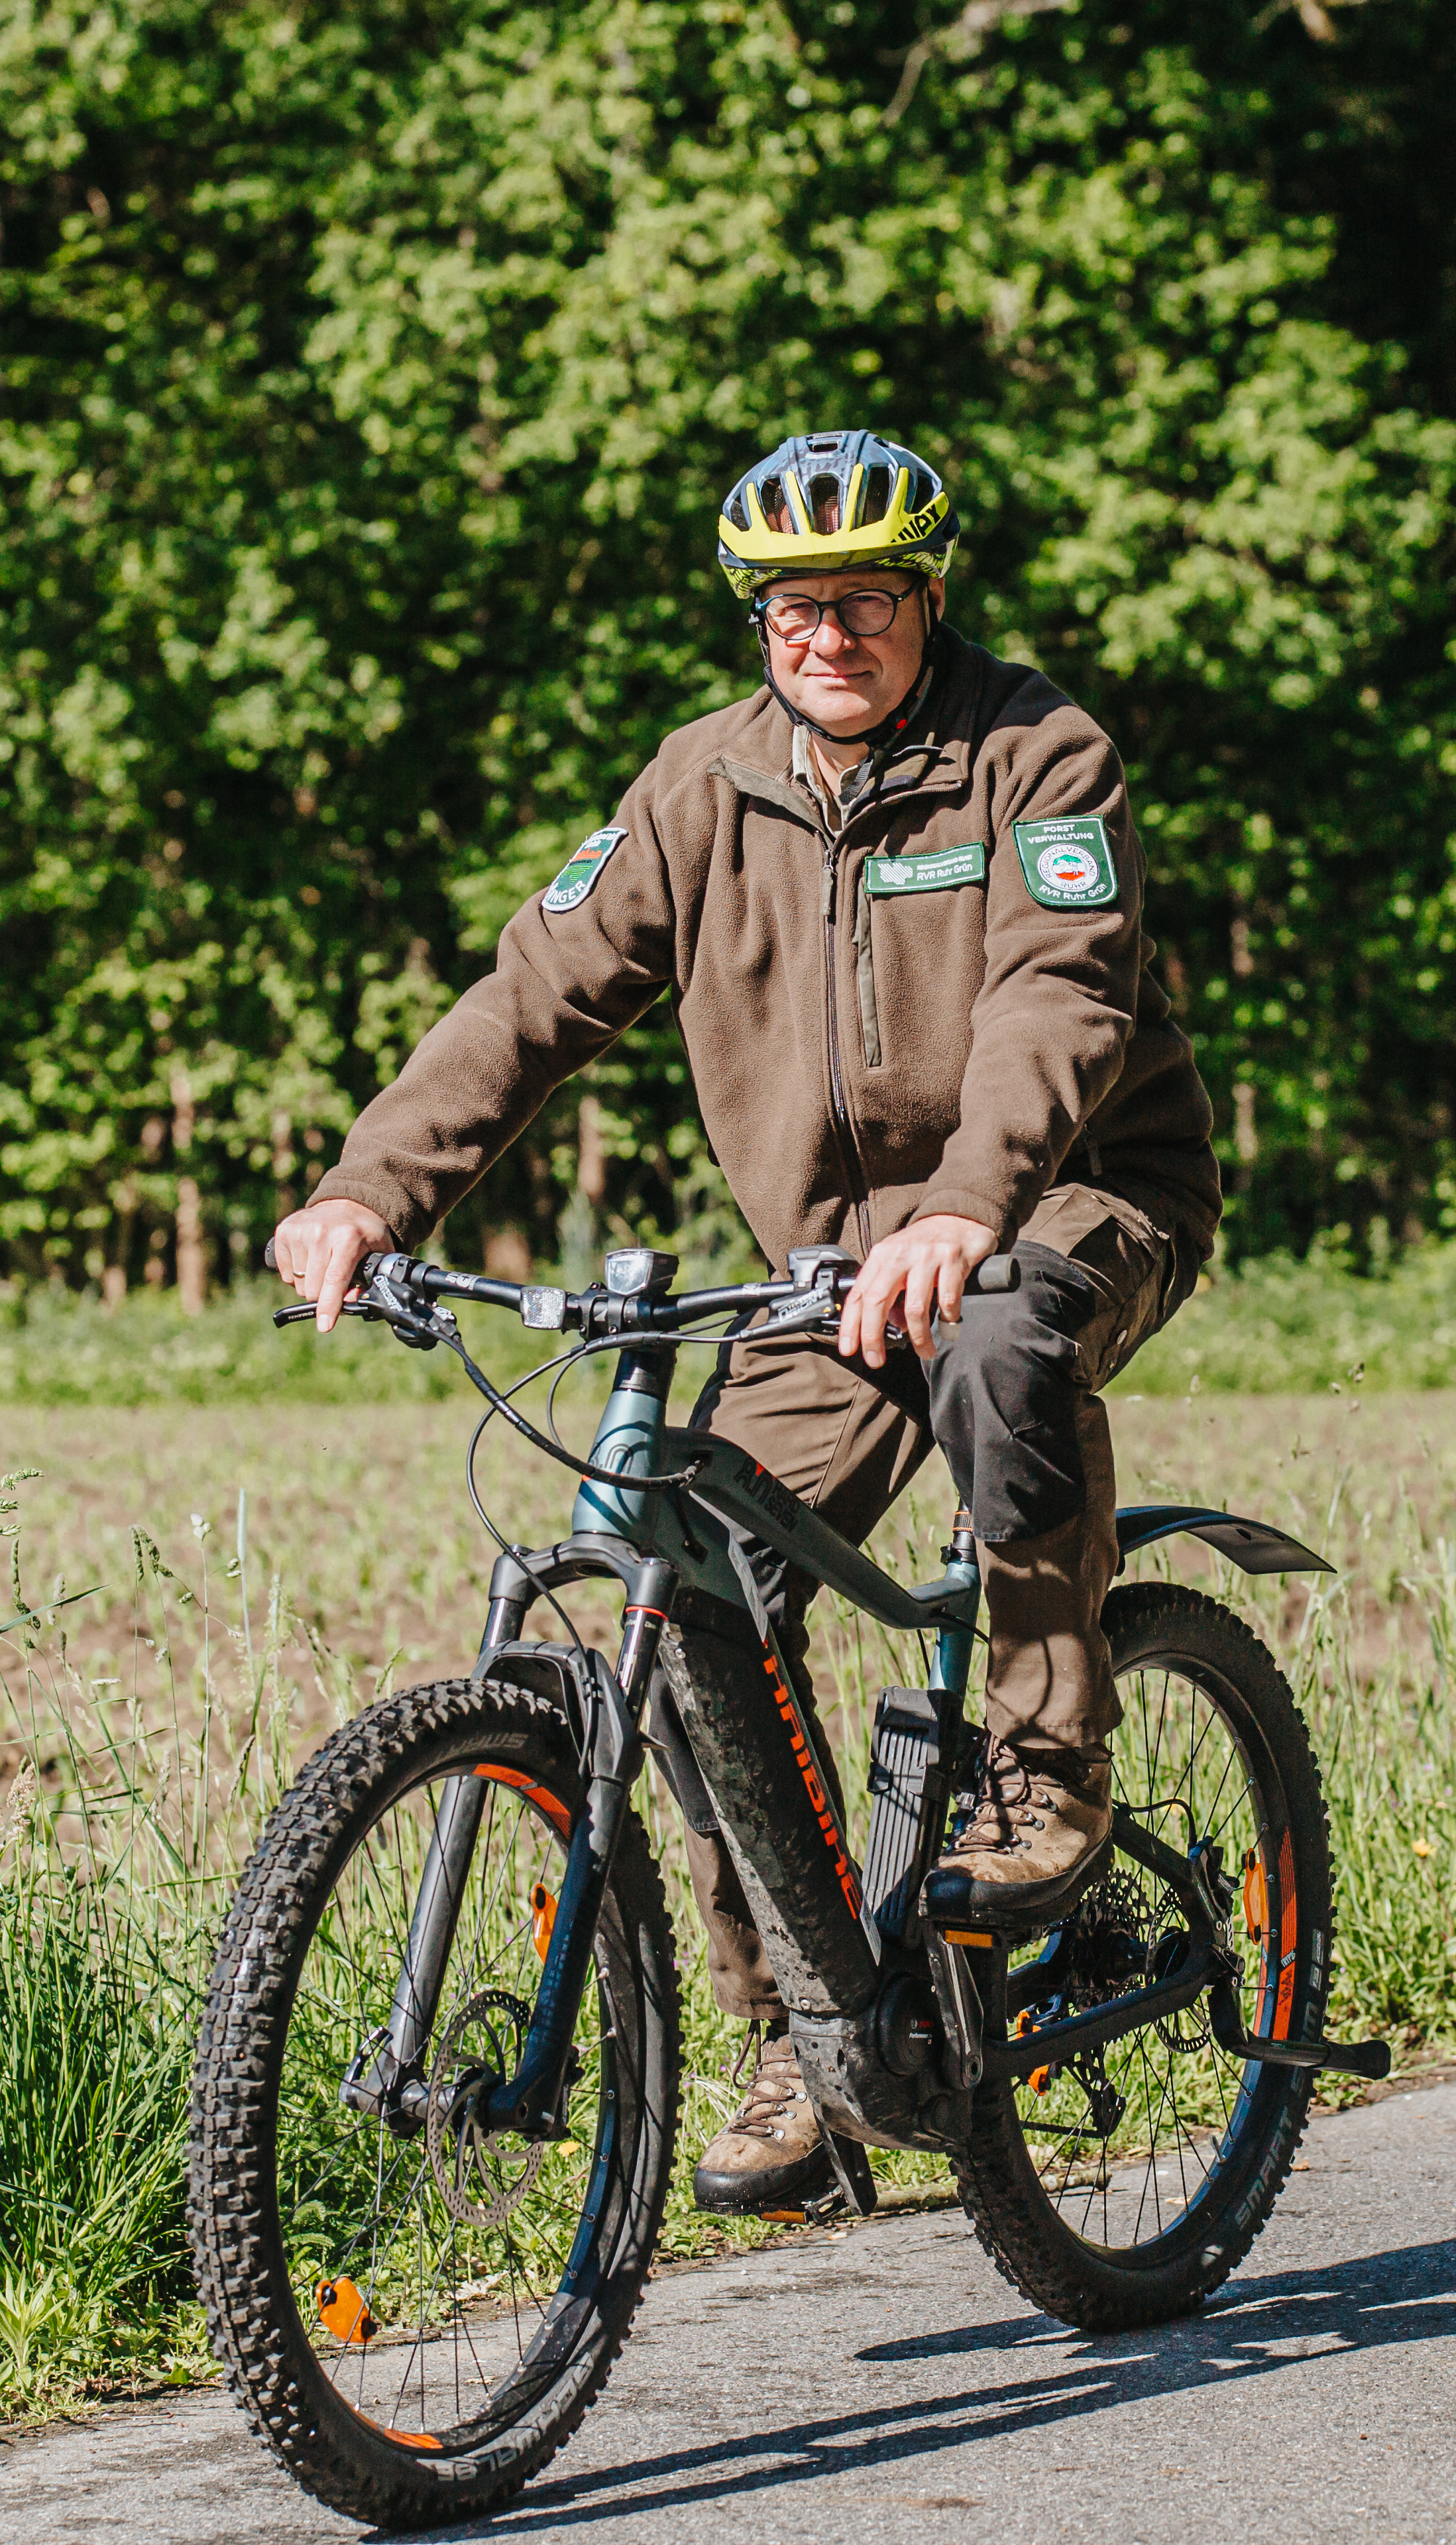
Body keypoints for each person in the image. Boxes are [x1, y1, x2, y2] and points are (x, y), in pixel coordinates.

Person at [264, 428, 1217, 2213]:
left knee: (1005, 1335)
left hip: (1080, 1192)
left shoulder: (1038, 752)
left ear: (927, 600)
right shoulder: (700, 788)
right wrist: (372, 1189)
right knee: (696, 1576)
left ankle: (1044, 1762)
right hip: (827, 1266)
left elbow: (1060, 1006)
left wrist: (965, 1203)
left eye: (862, 600)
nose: (828, 635)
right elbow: (531, 999)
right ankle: (806, 2025)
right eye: (794, 607)